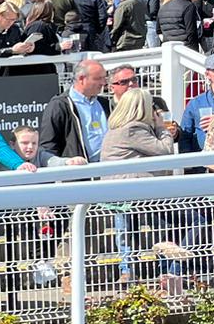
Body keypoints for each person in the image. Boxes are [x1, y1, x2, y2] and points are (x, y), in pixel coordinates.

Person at [101, 87, 182, 287]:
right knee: (165, 226)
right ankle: (166, 271)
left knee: (127, 231)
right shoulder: (134, 128)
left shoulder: (117, 127)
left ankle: (128, 270)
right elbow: (164, 150)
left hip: (121, 190)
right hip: (135, 191)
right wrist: (162, 127)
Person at [39, 60, 112, 163]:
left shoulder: (105, 104)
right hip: (79, 172)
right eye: (98, 78)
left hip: (108, 170)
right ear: (82, 79)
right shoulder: (60, 105)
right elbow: (49, 146)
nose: (103, 83)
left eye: (104, 78)